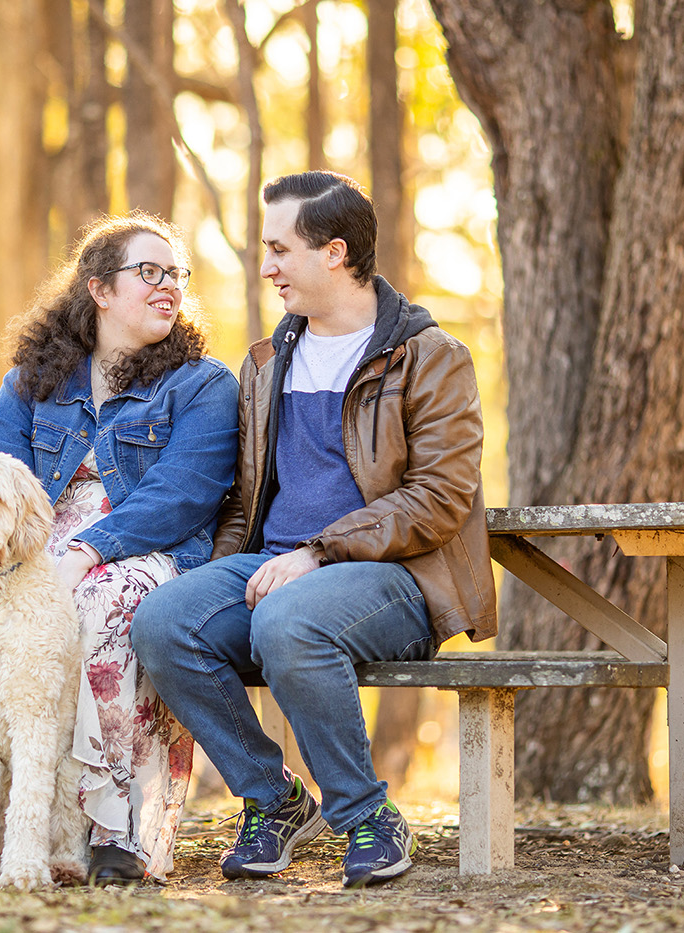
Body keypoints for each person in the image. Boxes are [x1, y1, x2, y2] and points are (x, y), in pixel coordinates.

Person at [131, 171, 498, 889]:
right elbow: (245, 495)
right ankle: (273, 798)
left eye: (279, 249)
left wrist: (318, 552)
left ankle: (366, 814)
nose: (266, 266)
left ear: (334, 252)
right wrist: (215, 574)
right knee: (164, 620)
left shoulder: (430, 356)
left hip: (396, 577)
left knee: (289, 622)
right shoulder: (268, 363)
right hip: (275, 566)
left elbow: (440, 496)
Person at [0, 212, 239, 885]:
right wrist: (1, 545)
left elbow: (183, 493)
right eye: (148, 272)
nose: (169, 286)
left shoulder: (202, 384)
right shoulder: (36, 379)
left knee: (97, 609)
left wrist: (87, 549)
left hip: (142, 549)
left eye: (176, 274)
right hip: (36, 539)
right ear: (98, 288)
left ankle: (111, 829)